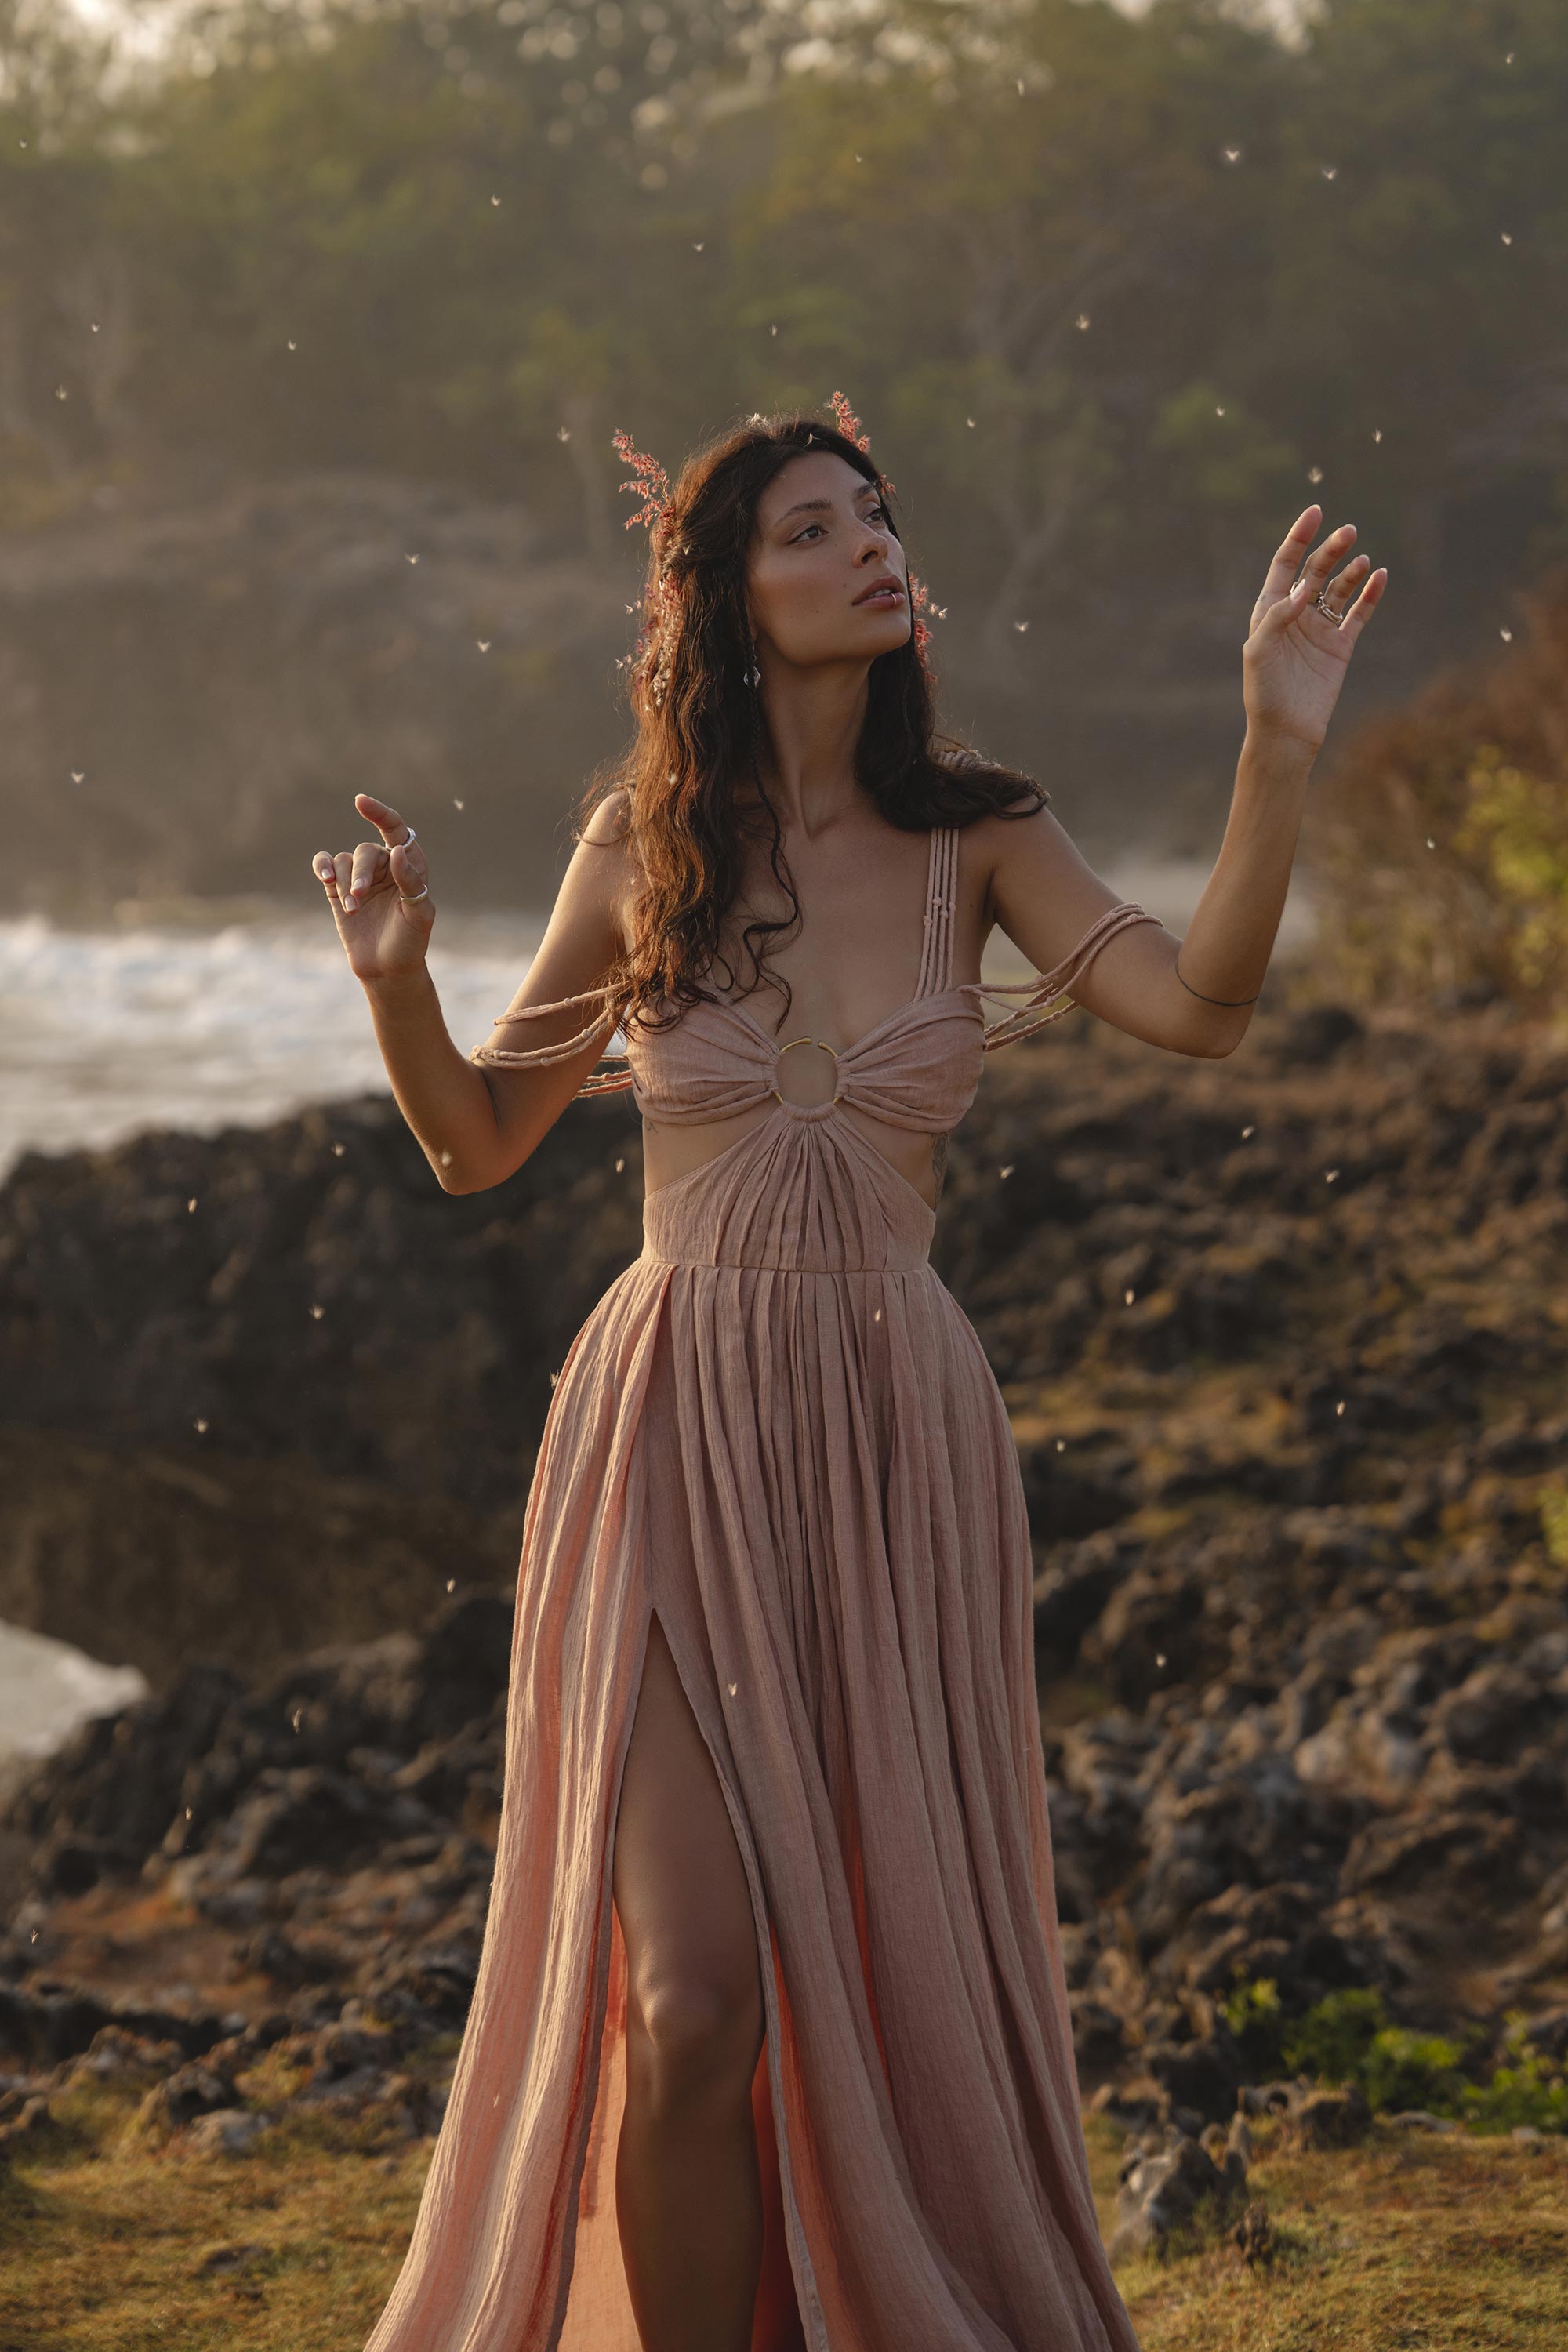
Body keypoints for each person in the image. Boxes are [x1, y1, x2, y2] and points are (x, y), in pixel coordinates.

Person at [317, 402, 1385, 2352]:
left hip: (894, 1442)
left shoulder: (981, 833)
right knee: (690, 2003)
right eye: (812, 527)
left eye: (877, 516)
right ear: (725, 594)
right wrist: (397, 986)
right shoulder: (643, 848)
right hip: (668, 1429)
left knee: (880, 1984)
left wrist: (1275, 746)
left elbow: (1202, 1010)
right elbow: (475, 1143)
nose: (870, 546)